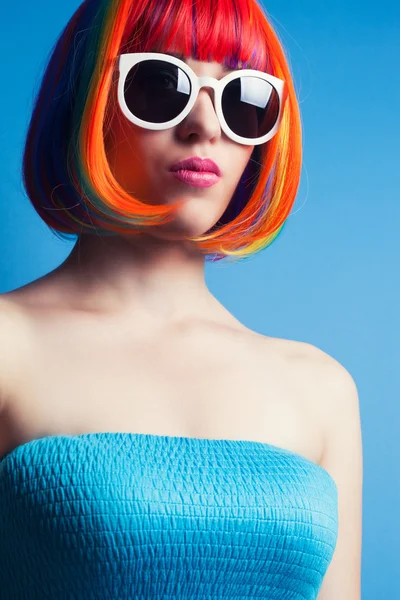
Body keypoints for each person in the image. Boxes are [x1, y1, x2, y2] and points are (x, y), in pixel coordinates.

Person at [0, 0, 363, 598]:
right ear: (87, 105)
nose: (206, 125)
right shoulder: (9, 347)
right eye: (160, 83)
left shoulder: (320, 388)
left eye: (244, 97)